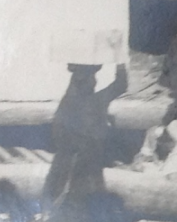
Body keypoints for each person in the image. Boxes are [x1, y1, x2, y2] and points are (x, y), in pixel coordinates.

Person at [41, 63, 127, 222]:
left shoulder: (67, 104)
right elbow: (121, 85)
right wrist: (120, 61)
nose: (94, 81)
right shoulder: (97, 100)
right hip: (81, 169)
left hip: (72, 167)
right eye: (92, 78)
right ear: (84, 81)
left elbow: (57, 135)